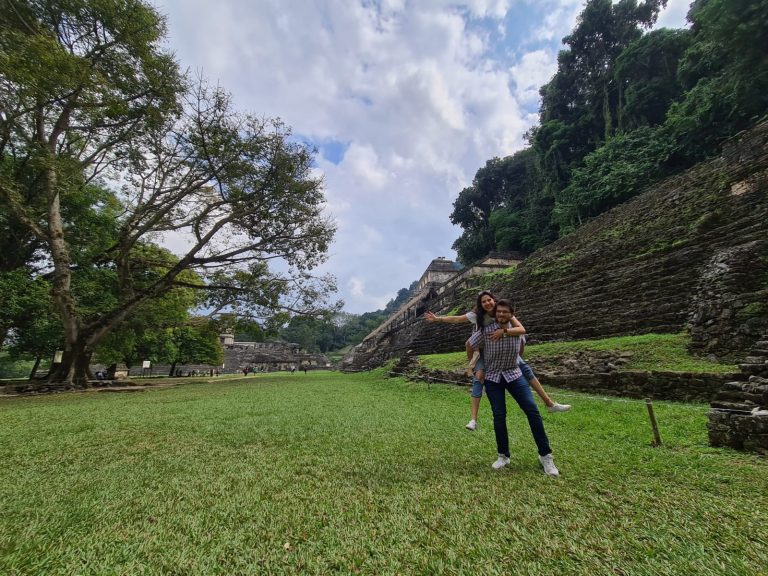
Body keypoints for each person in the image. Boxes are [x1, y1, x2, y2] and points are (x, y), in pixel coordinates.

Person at [425, 290, 570, 431]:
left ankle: (549, 403)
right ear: (480, 304)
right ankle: (473, 419)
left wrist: (504, 332)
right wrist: (438, 319)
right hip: (481, 349)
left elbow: (521, 329)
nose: (487, 303)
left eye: (489, 300)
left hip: (501, 348)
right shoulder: (477, 315)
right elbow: (458, 321)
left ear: (493, 300)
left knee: (526, 369)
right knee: (478, 378)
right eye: (484, 302)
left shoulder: (501, 311)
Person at [467, 299, 560, 475]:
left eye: (505, 312)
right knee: (499, 415)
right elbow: (469, 344)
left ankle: (545, 456)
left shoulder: (516, 330)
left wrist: (505, 333)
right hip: (493, 378)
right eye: (499, 311)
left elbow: (522, 340)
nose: (501, 314)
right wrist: (476, 367)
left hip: (514, 375)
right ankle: (503, 455)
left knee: (532, 411)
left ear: (511, 314)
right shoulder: (486, 330)